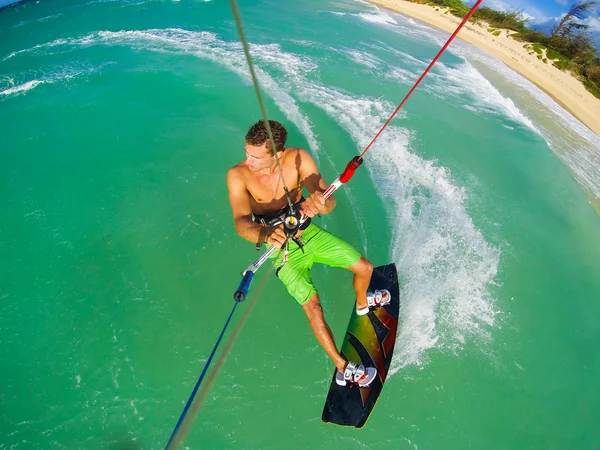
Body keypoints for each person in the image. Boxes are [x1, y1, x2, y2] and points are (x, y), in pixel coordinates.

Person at [226, 119, 390, 387]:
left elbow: (328, 200)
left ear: (277, 154)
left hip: (310, 235)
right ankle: (342, 367)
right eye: (247, 153)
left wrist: (320, 202)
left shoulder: (298, 159)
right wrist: (266, 234)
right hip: (281, 251)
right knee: (313, 307)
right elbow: (241, 222)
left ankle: (363, 304)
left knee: (366, 268)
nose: (248, 160)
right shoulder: (238, 175)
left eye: (255, 156)